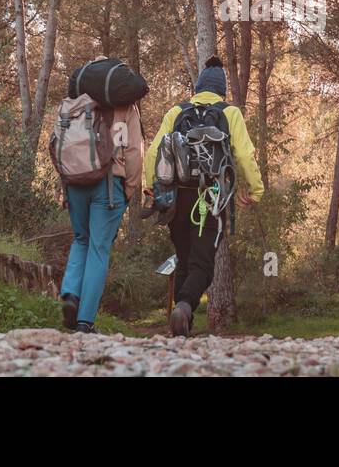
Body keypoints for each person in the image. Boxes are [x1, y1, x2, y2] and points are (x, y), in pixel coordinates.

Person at [144, 56, 264, 337]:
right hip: (211, 197)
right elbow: (246, 155)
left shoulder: (176, 111)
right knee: (203, 265)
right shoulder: (229, 112)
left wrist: (150, 187)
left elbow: (154, 151)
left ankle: (182, 326)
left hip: (175, 198)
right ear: (221, 90)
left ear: (197, 89)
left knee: (184, 259)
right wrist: (256, 190)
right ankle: (184, 308)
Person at [58, 98, 144, 334]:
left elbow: (59, 145)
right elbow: (134, 150)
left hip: (75, 181)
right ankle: (85, 320)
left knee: (81, 240)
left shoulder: (73, 103)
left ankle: (70, 294)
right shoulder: (125, 105)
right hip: (108, 183)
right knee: (99, 248)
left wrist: (65, 184)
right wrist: (131, 188)